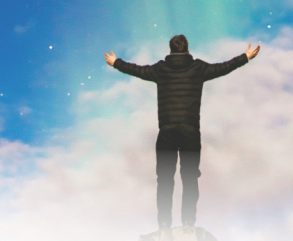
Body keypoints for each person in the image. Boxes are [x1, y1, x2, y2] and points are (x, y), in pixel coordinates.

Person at [104, 34, 260, 229]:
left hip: (167, 130)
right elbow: (223, 67)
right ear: (187, 50)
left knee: (165, 178)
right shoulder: (198, 68)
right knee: (190, 176)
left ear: (170, 51)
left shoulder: (160, 69)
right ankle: (188, 221)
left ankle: (164, 223)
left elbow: (137, 70)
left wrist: (116, 63)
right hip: (190, 130)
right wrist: (245, 57)